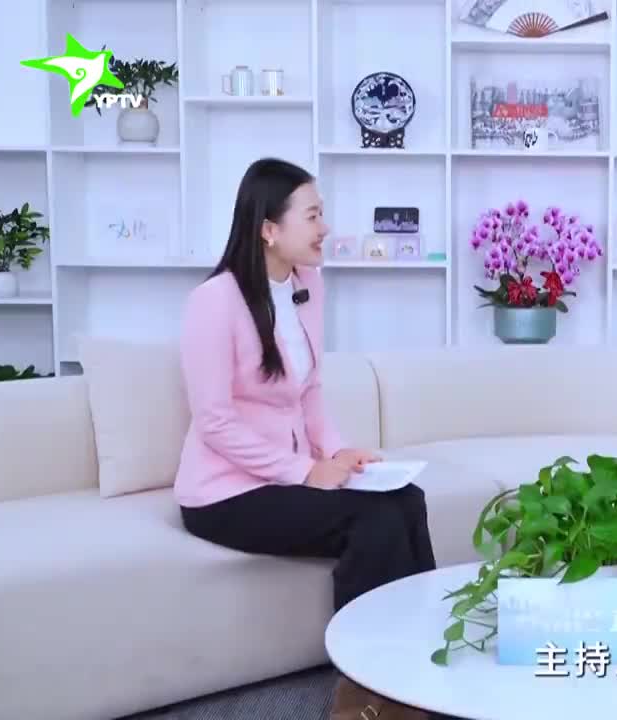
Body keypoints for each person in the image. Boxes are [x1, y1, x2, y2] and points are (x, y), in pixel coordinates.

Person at [174, 157, 435, 719]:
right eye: (313, 216)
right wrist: (307, 471)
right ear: (269, 229)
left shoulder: (306, 285)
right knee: (372, 519)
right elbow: (215, 423)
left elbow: (310, 388)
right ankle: (362, 691)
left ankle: (416, 665)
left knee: (406, 499)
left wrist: (337, 451)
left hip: (283, 476)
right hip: (224, 493)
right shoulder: (214, 301)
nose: (325, 228)